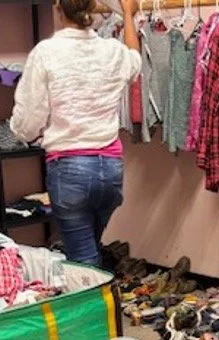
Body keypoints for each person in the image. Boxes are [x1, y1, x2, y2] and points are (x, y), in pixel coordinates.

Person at [10, 0, 141, 266]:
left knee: (83, 261)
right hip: (111, 170)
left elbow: (28, 119)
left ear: (58, 7)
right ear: (92, 7)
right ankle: (105, 301)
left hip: (70, 169)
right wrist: (128, 15)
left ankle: (101, 305)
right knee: (89, 250)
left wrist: (23, 133)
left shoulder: (46, 53)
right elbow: (135, 61)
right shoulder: (113, 51)